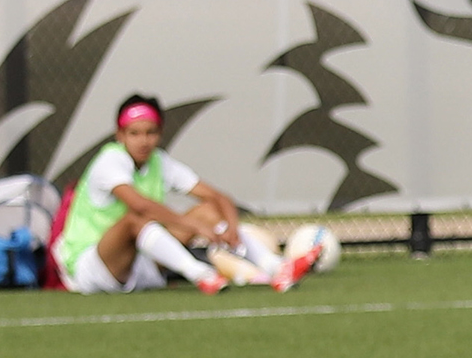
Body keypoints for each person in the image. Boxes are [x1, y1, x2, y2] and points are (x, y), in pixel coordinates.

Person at [52, 94, 317, 295]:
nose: (143, 141)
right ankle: (201, 274)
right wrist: (197, 227)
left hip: (139, 264)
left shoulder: (159, 161)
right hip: (91, 268)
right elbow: (141, 207)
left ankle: (277, 268)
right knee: (136, 219)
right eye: (134, 133)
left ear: (160, 134)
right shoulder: (109, 161)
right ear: (119, 135)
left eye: (150, 133)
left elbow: (218, 197)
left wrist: (231, 229)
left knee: (210, 211)